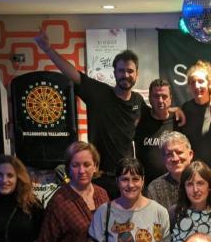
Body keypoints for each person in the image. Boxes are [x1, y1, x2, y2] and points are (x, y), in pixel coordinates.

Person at [35, 27, 146, 197]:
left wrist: (178, 112)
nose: (126, 74)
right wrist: (48, 49)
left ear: (136, 74)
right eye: (121, 70)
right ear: (114, 73)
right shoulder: (99, 93)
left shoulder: (138, 101)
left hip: (126, 177)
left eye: (130, 71)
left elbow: (157, 114)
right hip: (100, 176)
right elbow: (73, 74)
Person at [35, 141, 110, 242]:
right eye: (76, 165)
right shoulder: (59, 201)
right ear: (68, 168)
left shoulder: (102, 194)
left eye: (87, 164)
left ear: (95, 166)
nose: (82, 170)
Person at [146, 132, 211, 212]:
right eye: (169, 154)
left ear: (190, 154)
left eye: (179, 152)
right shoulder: (155, 188)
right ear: (163, 159)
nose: (175, 158)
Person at [176, 60, 211, 172]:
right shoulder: (186, 108)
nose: (197, 86)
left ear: (209, 83)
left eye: (201, 81)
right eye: (192, 82)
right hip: (191, 171)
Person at [135, 79, 176, 184]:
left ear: (170, 99)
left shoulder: (178, 121)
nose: (160, 100)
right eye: (156, 96)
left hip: (174, 184)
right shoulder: (140, 120)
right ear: (149, 98)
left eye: (164, 96)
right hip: (145, 185)